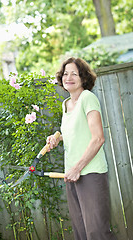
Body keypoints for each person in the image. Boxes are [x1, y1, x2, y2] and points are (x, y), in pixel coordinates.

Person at [46, 57, 116, 240]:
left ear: (83, 78)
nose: (68, 77)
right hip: (71, 175)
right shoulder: (67, 104)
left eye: (74, 74)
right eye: (65, 73)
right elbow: (71, 130)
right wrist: (56, 137)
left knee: (97, 233)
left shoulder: (88, 98)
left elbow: (98, 138)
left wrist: (77, 168)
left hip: (90, 173)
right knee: (82, 233)